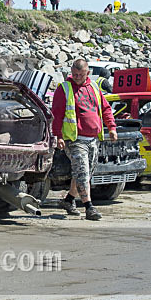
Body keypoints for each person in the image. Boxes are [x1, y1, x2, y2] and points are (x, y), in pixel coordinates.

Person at [51, 59, 117, 221]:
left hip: (93, 139)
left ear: (88, 73)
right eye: (74, 74)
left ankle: (69, 200)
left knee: (85, 174)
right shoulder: (64, 89)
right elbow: (56, 115)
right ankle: (89, 207)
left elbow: (106, 108)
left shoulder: (94, 87)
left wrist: (112, 127)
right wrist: (58, 136)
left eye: (80, 75)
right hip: (75, 139)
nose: (77, 77)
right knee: (82, 172)